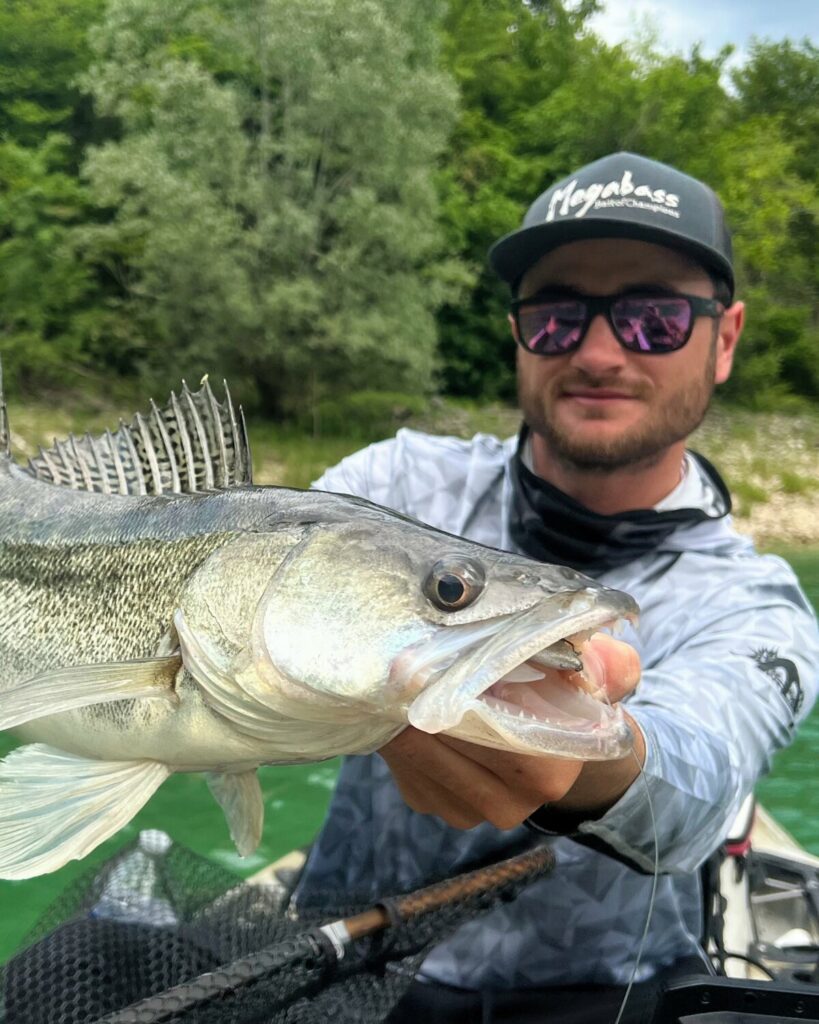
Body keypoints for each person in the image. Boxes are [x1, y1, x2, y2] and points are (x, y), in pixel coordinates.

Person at [294, 152, 819, 1022]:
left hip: (599, 993)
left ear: (723, 339)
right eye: (557, 315)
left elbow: (700, 776)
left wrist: (600, 751)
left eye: (653, 318)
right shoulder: (385, 492)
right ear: (517, 334)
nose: (601, 350)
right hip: (345, 966)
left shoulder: (757, 603)